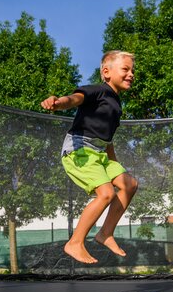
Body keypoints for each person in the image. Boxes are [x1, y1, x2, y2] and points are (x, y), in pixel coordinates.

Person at [40, 51, 139, 264]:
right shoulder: (98, 91)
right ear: (106, 72)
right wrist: (58, 103)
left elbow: (108, 138)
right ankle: (75, 242)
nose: (131, 74)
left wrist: (114, 164)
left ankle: (105, 233)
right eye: (125, 69)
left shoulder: (116, 104)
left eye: (132, 70)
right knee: (106, 194)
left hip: (100, 153)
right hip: (79, 150)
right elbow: (75, 99)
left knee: (129, 184)